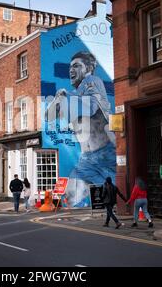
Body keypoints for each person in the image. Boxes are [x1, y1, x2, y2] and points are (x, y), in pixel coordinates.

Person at [46, 51, 116, 207]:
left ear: (89, 67)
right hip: (86, 159)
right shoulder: (72, 94)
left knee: (116, 196)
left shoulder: (93, 81)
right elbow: (48, 117)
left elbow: (90, 109)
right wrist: (58, 99)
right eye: (70, 67)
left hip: (106, 156)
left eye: (77, 66)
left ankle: (117, 217)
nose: (71, 70)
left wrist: (66, 98)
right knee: (69, 198)